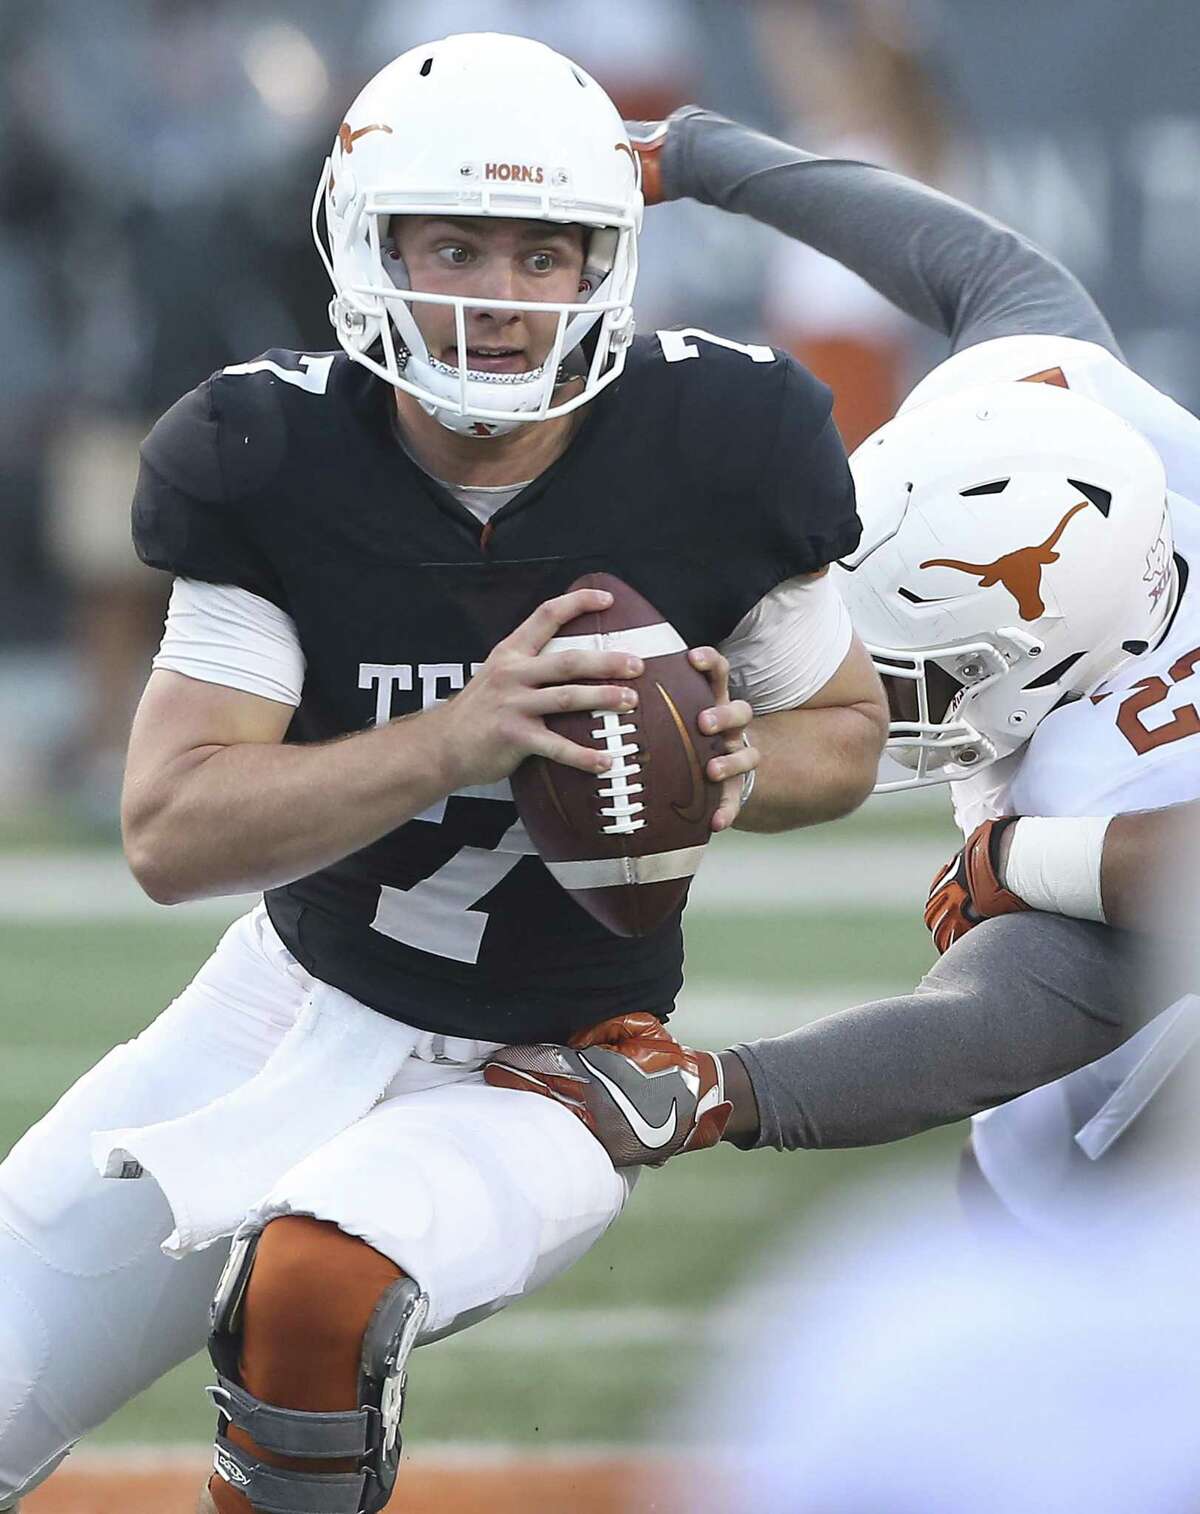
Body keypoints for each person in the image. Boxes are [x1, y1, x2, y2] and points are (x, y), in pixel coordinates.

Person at [0, 38, 887, 1514]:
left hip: (553, 1055)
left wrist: (739, 764)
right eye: (453, 242)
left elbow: (843, 730)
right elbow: (165, 827)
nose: (493, 293)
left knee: (316, 1292)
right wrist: (458, 737)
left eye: (543, 252)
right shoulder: (270, 447)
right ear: (366, 243)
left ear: (607, 262)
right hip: (287, 996)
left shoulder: (727, 440)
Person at [485, 107, 1200, 1236]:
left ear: (1033, 662)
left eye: (912, 667)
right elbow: (982, 265)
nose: (860, 676)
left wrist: (727, 1087)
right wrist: (698, 155)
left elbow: (1002, 1020)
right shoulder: (1106, 434)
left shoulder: (1101, 779)